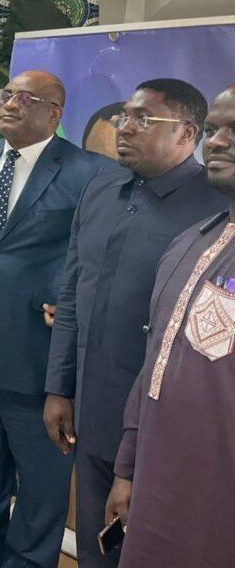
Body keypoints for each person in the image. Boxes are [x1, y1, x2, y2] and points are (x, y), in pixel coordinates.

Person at [43, 80, 224, 567]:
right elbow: (72, 295)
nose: (124, 127)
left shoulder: (214, 207)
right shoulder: (100, 191)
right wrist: (59, 387)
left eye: (143, 119)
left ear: (187, 133)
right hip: (91, 408)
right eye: (124, 116)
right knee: (95, 546)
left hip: (162, 423)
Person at [0, 70, 106, 568]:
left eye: (26, 98)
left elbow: (97, 253)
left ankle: (27, 562)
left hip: (39, 354)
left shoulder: (89, 172)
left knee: (41, 478)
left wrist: (73, 303)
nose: (10, 103)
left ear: (55, 113)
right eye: (5, 95)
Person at [104, 84, 235, 568]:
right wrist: (127, 468)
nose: (217, 142)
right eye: (215, 129)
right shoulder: (189, 243)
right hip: (157, 491)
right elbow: (155, 364)